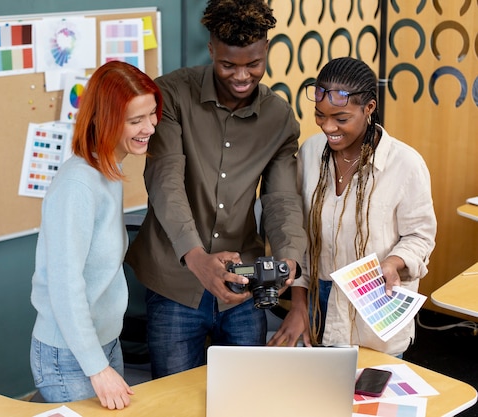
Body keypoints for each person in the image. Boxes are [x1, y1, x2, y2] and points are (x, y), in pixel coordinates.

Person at [126, 0, 307, 379]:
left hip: (243, 286)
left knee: (243, 393)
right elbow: (165, 181)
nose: (242, 75)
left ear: (266, 52)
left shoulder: (278, 117)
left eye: (253, 64)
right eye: (228, 64)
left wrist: (289, 256)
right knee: (172, 399)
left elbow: (281, 199)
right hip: (175, 282)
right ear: (211, 50)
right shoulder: (171, 95)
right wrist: (195, 258)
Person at [268, 57, 436, 357]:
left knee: (371, 399)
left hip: (375, 306)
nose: (328, 126)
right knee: (321, 396)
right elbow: (299, 235)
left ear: (368, 108)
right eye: (320, 115)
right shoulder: (310, 153)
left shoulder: (405, 164)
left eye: (341, 118)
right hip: (318, 302)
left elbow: (420, 236)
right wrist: (299, 305)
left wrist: (393, 263)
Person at [29, 61, 162, 409]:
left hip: (101, 343)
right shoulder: (78, 185)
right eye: (136, 121)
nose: (150, 127)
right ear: (106, 121)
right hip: (69, 355)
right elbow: (65, 284)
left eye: (151, 114)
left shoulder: (107, 170)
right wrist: (97, 367)